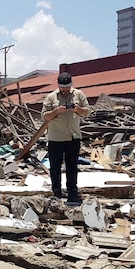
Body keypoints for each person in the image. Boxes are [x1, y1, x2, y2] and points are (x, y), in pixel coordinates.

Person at [41, 71, 90, 204]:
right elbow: (44, 117)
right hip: (56, 138)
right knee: (55, 167)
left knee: (72, 167)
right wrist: (56, 111)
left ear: (71, 85)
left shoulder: (79, 94)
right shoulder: (51, 97)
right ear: (58, 86)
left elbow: (87, 112)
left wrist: (77, 109)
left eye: (67, 88)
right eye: (62, 88)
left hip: (73, 137)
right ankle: (56, 193)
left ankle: (72, 193)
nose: (65, 91)